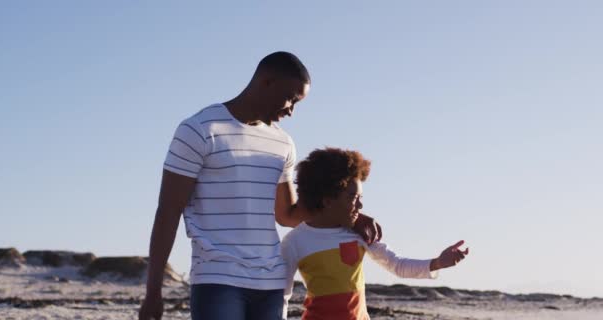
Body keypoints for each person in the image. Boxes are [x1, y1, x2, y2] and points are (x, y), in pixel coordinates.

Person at [138, 52, 381, 320]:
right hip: (218, 278)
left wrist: (349, 216)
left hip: (271, 284)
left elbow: (287, 215)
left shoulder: (283, 143)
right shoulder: (198, 130)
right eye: (292, 98)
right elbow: (168, 212)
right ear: (266, 82)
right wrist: (153, 291)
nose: (291, 110)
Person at [281, 147, 469, 320]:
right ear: (328, 200)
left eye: (360, 198)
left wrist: (437, 262)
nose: (360, 206)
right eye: (353, 198)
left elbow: (397, 265)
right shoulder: (295, 241)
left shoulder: (360, 234)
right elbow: (282, 295)